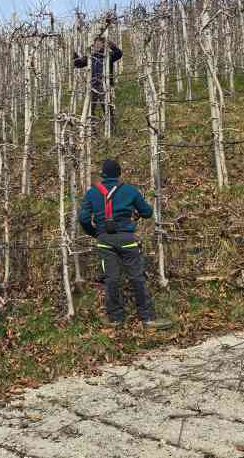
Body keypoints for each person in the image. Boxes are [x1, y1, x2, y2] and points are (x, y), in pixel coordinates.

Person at [79, 159, 172, 330]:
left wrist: (96, 233)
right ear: (119, 174)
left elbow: (83, 218)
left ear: (102, 175)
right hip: (127, 240)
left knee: (111, 278)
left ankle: (115, 319)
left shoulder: (92, 192)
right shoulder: (129, 190)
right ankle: (148, 318)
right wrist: (134, 213)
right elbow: (147, 212)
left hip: (105, 241)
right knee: (137, 277)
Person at [73, 37, 122, 131]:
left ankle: (111, 130)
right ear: (93, 45)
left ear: (104, 45)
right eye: (96, 44)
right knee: (91, 110)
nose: (97, 46)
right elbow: (78, 64)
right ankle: (92, 130)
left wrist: (111, 44)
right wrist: (74, 55)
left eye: (100, 43)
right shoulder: (91, 57)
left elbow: (119, 54)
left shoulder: (109, 56)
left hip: (105, 87)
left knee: (107, 109)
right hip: (92, 87)